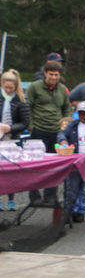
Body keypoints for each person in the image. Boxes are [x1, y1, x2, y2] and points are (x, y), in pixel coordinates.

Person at [25, 59, 70, 207]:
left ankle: (50, 196)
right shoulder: (34, 87)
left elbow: (66, 109)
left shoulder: (62, 89)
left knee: (54, 167)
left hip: (56, 132)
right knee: (36, 165)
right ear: (45, 73)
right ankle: (34, 196)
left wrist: (65, 126)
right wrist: (31, 126)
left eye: (56, 75)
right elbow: (28, 107)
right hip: (38, 131)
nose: (54, 78)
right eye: (51, 74)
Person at [57, 101, 85, 223]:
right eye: (81, 114)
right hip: (75, 163)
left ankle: (80, 211)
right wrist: (63, 141)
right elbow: (62, 134)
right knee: (71, 188)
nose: (83, 116)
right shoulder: (73, 126)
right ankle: (69, 210)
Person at [0, 69, 30, 211]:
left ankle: (11, 199)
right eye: (6, 87)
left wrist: (10, 128)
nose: (8, 90)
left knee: (10, 170)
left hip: (12, 138)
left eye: (11, 88)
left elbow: (25, 122)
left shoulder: (21, 100)